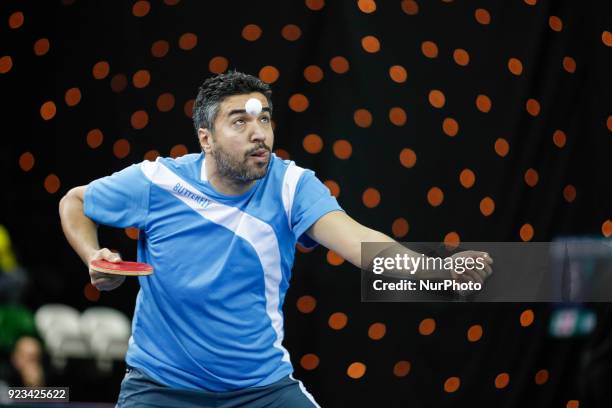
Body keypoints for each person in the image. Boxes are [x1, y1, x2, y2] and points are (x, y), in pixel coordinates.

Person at [59, 71, 492, 407]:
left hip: (259, 390)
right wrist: (91, 254)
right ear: (206, 139)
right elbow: (75, 202)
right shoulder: (157, 182)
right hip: (160, 387)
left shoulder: (293, 187)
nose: (259, 133)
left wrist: (433, 270)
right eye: (240, 121)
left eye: (264, 118)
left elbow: (360, 242)